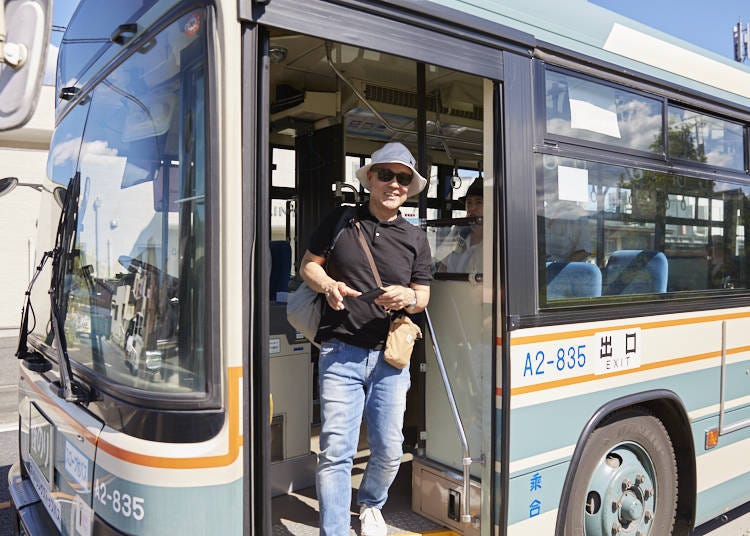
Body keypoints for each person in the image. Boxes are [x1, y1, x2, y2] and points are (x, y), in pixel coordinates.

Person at [299, 142, 432, 536]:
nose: (394, 183)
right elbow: (309, 265)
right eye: (386, 175)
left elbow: (422, 295)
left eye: (403, 178)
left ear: (409, 186)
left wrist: (409, 297)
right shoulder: (339, 221)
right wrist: (327, 286)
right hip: (340, 352)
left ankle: (371, 503)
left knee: (391, 449)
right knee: (336, 452)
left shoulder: (415, 238)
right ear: (370, 178)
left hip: (391, 358)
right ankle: (335, 530)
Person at [438, 176, 483, 273]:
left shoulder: (497, 239)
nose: (472, 208)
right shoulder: (459, 231)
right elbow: (442, 266)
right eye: (469, 203)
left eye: (479, 202)